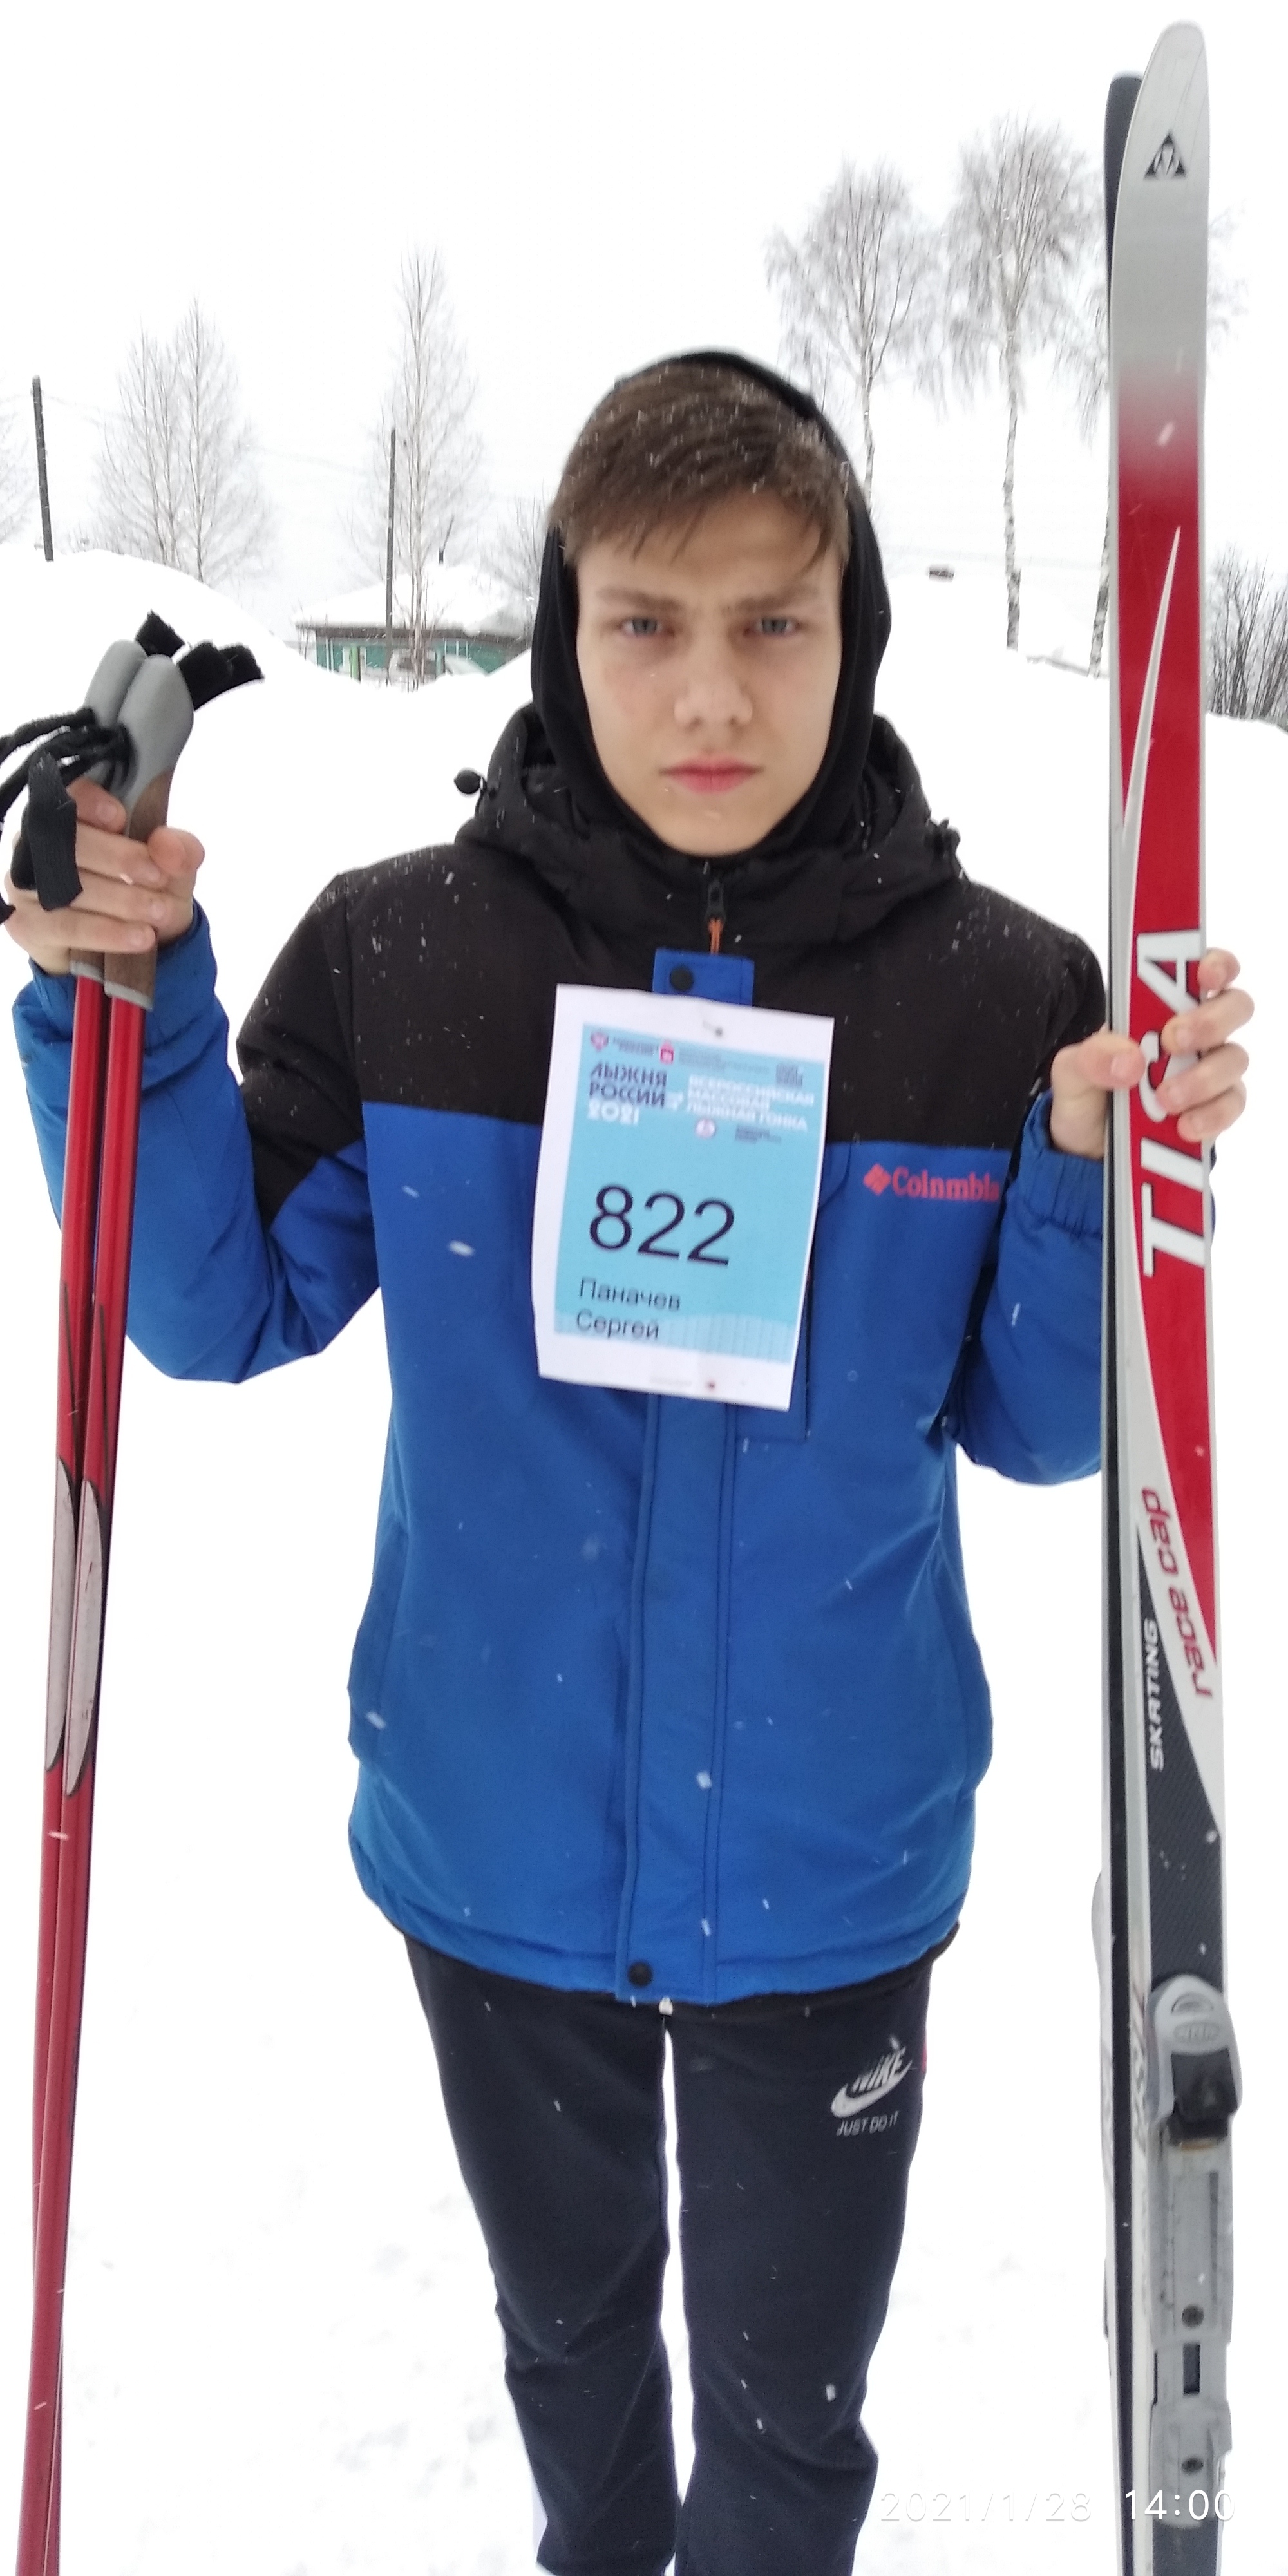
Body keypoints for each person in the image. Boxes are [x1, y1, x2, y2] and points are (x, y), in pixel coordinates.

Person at [5, 354, 1253, 2576]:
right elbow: (211, 1308)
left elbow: (1048, 1425)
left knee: (789, 2422)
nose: (711, 690)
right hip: (499, 1849)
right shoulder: (408, 957)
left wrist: (1090, 1170)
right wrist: (127, 1002)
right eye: (647, 621)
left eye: (775, 621)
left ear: (857, 632)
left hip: (830, 1871)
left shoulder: (994, 994)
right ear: (564, 628)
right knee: (572, 2350)